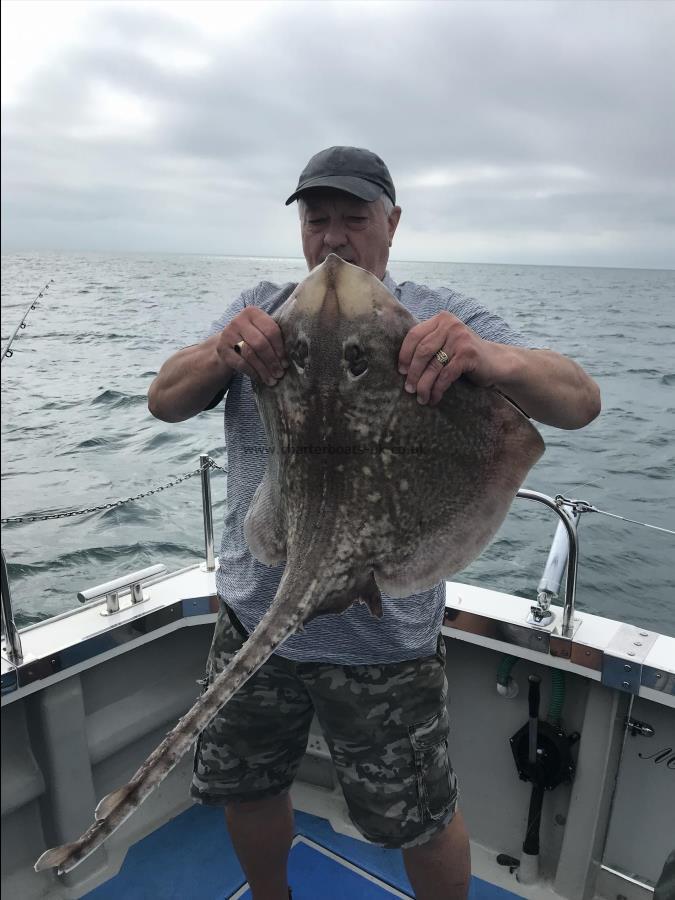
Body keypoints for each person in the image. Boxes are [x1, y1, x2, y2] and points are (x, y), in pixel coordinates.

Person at [148, 146, 600, 900]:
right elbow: (164, 398)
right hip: (257, 605)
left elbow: (578, 400)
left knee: (418, 818)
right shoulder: (258, 308)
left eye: (353, 220)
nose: (332, 239)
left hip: (384, 634)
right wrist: (224, 352)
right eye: (315, 220)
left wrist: (487, 358)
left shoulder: (437, 314)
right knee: (247, 785)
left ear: (392, 223)